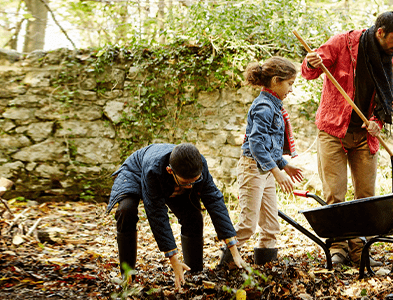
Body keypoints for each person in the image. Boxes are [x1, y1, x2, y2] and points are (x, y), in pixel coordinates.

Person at [300, 11, 393, 266]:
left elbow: (387, 100)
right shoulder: (343, 43)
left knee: (366, 197)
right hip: (333, 131)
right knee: (335, 195)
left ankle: (361, 251)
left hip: (364, 136)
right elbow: (310, 72)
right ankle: (337, 248)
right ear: (380, 32)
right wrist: (311, 62)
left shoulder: (390, 62)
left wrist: (377, 123)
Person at [106, 143, 244, 289]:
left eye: (195, 180)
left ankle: (193, 272)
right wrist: (174, 261)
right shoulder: (154, 170)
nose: (191, 186)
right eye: (187, 182)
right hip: (135, 173)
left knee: (194, 217)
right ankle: (127, 277)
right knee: (126, 211)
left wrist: (234, 250)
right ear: (170, 170)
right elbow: (157, 214)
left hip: (172, 183)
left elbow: (215, 201)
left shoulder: (199, 164)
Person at [220, 56, 304, 267]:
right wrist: (277, 172)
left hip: (265, 170)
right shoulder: (264, 107)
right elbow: (257, 145)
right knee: (248, 224)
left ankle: (266, 268)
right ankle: (226, 266)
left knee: (270, 224)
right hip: (252, 169)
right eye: (290, 84)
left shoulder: (274, 106)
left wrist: (284, 165)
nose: (291, 90)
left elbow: (269, 146)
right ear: (276, 80)